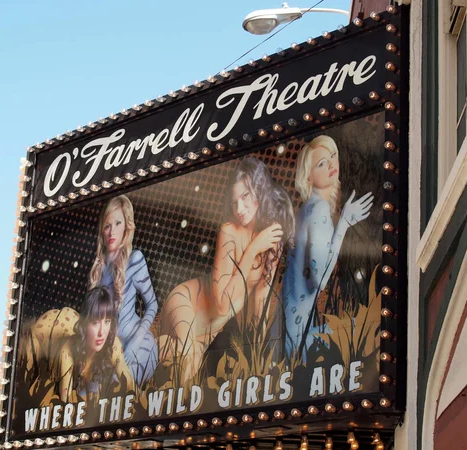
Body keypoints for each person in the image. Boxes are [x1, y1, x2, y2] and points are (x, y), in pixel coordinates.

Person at [159, 157, 295, 381]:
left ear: (260, 192)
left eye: (245, 197)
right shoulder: (229, 231)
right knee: (186, 364)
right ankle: (155, 348)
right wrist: (252, 249)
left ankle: (155, 348)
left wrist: (257, 359)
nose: (239, 209)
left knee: (185, 365)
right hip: (186, 301)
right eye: (234, 203)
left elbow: (260, 302)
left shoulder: (270, 236)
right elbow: (222, 305)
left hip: (208, 330)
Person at [283, 135, 374, 360]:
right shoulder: (319, 210)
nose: (332, 165)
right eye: (322, 163)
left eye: (333, 156)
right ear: (309, 176)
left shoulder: (308, 209)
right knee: (368, 328)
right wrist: (344, 223)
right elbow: (320, 280)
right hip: (300, 342)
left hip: (294, 337)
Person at [89, 195, 158, 386]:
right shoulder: (98, 270)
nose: (112, 231)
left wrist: (136, 342)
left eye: (118, 223)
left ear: (126, 227)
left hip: (138, 346)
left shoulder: (135, 259)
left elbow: (152, 304)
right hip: (109, 351)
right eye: (107, 225)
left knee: (115, 392)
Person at [58, 286, 133, 402]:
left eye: (107, 321)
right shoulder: (67, 350)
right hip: (54, 326)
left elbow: (129, 384)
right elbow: (65, 400)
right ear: (85, 323)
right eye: (95, 322)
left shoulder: (112, 343)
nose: (102, 332)